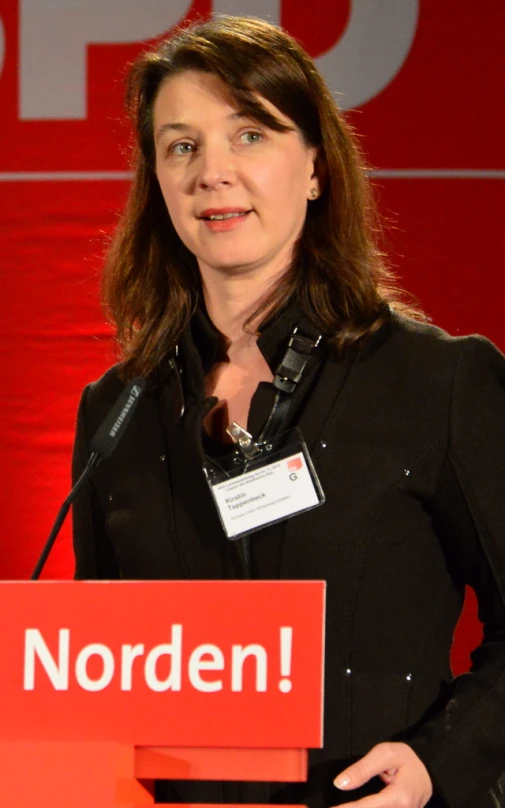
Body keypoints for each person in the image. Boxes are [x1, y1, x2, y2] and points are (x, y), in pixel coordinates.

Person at [72, 14, 505, 808]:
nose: (212, 173)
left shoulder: (439, 382)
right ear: (157, 183)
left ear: (314, 168)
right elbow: (101, 677)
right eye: (181, 146)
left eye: (249, 135)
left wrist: (434, 767)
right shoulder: (115, 414)